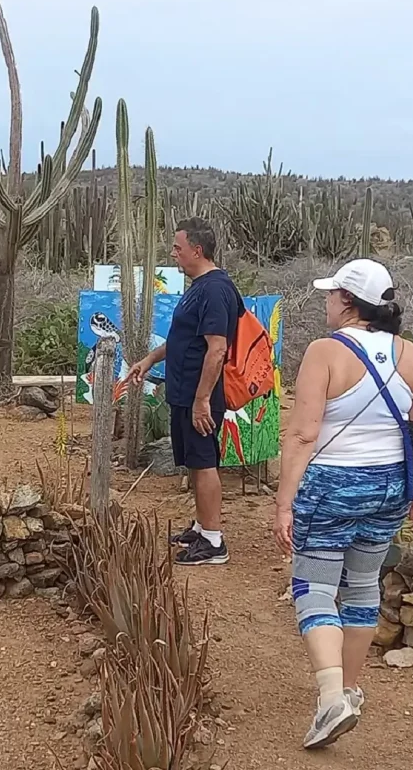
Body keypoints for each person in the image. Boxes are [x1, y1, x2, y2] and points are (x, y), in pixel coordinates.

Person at [271, 258, 413, 750]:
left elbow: (302, 433)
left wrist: (285, 503)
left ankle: (330, 698)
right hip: (388, 487)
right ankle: (348, 688)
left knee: (314, 585)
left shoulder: (326, 351)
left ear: (348, 301)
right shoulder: (409, 354)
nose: (326, 301)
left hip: (331, 487)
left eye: (331, 294)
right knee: (364, 582)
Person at [126, 217, 244, 566]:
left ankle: (213, 541)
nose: (173, 254)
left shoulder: (214, 290)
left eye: (178, 248)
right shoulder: (198, 287)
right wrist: (149, 359)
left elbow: (217, 348)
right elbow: (183, 339)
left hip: (200, 396)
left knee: (204, 461)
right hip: (186, 393)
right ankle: (201, 525)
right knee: (194, 461)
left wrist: (202, 399)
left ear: (197, 249)